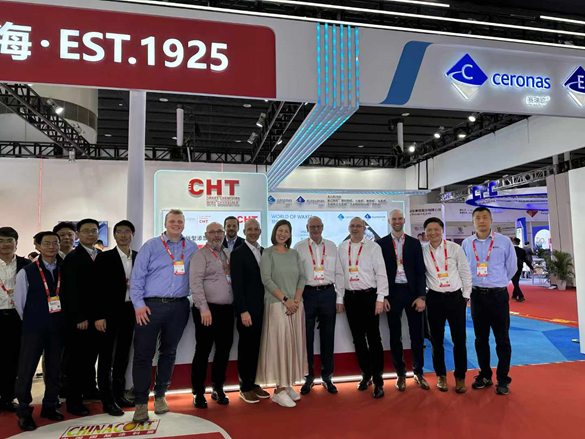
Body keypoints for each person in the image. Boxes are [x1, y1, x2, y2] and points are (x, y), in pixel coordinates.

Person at [130, 209, 198, 423]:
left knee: (169, 352)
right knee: (143, 355)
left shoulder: (192, 248)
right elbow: (137, 277)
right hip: (150, 307)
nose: (176, 224)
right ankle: (141, 403)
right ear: (165, 223)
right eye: (172, 221)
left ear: (184, 224)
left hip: (179, 307)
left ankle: (160, 395)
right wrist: (139, 305)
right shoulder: (151, 246)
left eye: (179, 221)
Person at [462, 207, 517, 396]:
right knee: (480, 339)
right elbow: (464, 268)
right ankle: (485, 375)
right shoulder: (467, 243)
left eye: (485, 217)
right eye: (477, 217)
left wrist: (497, 282)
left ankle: (503, 379)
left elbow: (511, 267)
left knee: (502, 339)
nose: (481, 221)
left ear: (491, 220)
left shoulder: (503, 241)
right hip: (477, 296)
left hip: (498, 296)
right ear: (473, 221)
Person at [13, 231, 64, 431]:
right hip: (33, 328)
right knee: (27, 370)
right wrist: (33, 319)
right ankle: (24, 412)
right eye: (47, 243)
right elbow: (20, 302)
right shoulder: (27, 272)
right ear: (38, 246)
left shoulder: (64, 269)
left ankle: (50, 406)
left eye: (55, 243)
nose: (51, 247)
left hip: (57, 327)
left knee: (54, 369)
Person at [335, 217, 388, 399]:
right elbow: (339, 275)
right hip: (350, 298)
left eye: (359, 226)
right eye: (352, 226)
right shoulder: (342, 248)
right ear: (348, 228)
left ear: (365, 228)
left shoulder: (373, 247)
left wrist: (380, 298)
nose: (355, 229)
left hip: (369, 297)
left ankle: (379, 381)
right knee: (358, 339)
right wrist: (340, 298)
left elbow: (381, 273)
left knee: (374, 339)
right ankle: (366, 375)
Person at [256, 220, 307, 408]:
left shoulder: (294, 254)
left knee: (293, 345)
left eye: (286, 231)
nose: (282, 234)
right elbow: (266, 279)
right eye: (280, 230)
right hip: (277, 305)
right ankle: (278, 391)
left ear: (290, 234)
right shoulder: (268, 253)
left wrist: (296, 300)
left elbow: (302, 277)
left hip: (295, 306)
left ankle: (287, 384)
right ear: (274, 232)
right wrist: (286, 300)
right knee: (280, 346)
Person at [377, 209, 428, 392]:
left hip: (413, 293)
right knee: (395, 335)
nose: (397, 221)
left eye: (400, 218)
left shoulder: (414, 243)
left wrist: (421, 296)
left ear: (404, 220)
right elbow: (379, 273)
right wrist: (383, 296)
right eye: (394, 219)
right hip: (392, 294)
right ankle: (400, 373)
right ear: (389, 221)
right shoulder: (381, 244)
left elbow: (421, 271)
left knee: (417, 335)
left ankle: (418, 372)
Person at [93, 220, 138, 416]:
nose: (123, 235)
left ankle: (119, 395)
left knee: (123, 356)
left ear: (132, 234)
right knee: (106, 358)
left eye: (127, 231)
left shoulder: (138, 257)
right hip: (109, 313)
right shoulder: (105, 257)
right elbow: (96, 288)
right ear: (114, 235)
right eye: (119, 232)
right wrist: (99, 315)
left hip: (130, 311)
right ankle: (107, 400)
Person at [423, 218, 472, 393]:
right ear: (425, 233)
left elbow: (465, 272)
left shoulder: (454, 248)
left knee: (459, 339)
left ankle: (460, 377)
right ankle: (441, 375)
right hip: (434, 299)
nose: (433, 233)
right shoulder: (422, 251)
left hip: (455, 298)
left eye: (436, 229)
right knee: (436, 340)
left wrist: (465, 296)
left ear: (442, 230)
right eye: (429, 230)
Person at [190, 222, 235, 409]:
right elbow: (195, 282)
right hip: (207, 311)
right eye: (212, 232)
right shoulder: (200, 255)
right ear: (206, 234)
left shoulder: (227, 254)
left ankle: (218, 387)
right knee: (203, 351)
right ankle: (198, 392)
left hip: (227, 311)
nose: (216, 235)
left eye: (219, 232)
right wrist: (203, 308)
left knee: (223, 350)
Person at [61, 218, 102, 416]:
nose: (90, 234)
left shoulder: (100, 255)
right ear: (78, 234)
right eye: (86, 231)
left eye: (94, 230)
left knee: (90, 357)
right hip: (80, 319)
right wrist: (79, 317)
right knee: (76, 361)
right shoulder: (73, 257)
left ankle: (90, 390)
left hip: (97, 318)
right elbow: (69, 290)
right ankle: (74, 401)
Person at [294, 216, 338, 395]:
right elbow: (296, 274)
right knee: (307, 337)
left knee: (328, 336)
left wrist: (340, 299)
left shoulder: (332, 246)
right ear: (307, 228)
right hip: (308, 294)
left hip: (328, 293)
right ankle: (309, 377)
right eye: (312, 227)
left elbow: (339, 273)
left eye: (318, 226)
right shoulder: (299, 247)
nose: (315, 229)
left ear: (323, 227)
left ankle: (327, 377)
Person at [230, 218, 270, 404]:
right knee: (246, 348)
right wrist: (243, 311)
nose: (253, 232)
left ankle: (254, 383)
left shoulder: (264, 252)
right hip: (247, 310)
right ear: (244, 231)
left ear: (260, 231)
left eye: (256, 229)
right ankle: (244, 387)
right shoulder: (238, 253)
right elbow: (237, 286)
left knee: (258, 348)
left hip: (264, 308)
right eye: (249, 229)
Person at [0, 227, 31, 412]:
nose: (5, 244)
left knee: (13, 360)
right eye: (1, 241)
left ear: (16, 244)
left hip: (16, 317)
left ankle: (7, 398)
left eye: (9, 241)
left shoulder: (26, 264)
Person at [512, 238, 533, 302]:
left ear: (513, 242)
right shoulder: (522, 250)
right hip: (520, 266)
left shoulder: (511, 250)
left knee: (515, 282)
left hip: (512, 267)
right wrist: (531, 267)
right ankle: (514, 295)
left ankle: (521, 296)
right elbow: (526, 260)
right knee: (516, 281)